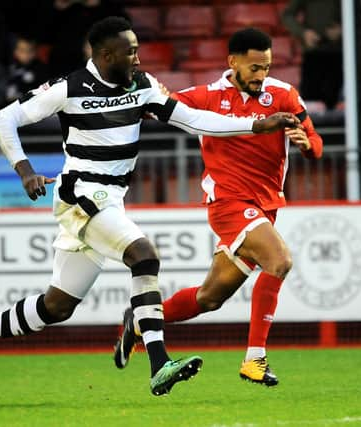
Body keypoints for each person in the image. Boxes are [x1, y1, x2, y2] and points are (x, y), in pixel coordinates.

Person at [0, 17, 300, 396]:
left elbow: (196, 119)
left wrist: (256, 125)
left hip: (108, 201)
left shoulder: (142, 87)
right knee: (143, 255)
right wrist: (25, 169)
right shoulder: (70, 87)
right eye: (130, 51)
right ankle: (160, 363)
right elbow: (4, 120)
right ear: (105, 54)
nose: (137, 58)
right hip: (80, 194)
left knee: (56, 307)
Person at [114, 28, 323, 387]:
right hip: (228, 202)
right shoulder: (205, 97)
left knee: (210, 298)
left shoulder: (284, 95)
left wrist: (306, 145)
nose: (261, 75)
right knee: (280, 261)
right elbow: (158, 106)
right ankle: (254, 359)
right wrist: (136, 92)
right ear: (233, 63)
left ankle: (141, 320)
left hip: (265, 207)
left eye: (266, 67)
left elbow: (316, 143)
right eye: (254, 67)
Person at [281, 0, 343, 109]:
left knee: (336, 102)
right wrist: (304, 33)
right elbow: (287, 15)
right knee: (310, 102)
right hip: (313, 54)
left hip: (340, 53)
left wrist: (342, 30)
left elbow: (360, 15)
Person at [6, 36, 49, 102]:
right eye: (22, 51)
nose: (26, 55)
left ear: (35, 52)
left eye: (30, 51)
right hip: (11, 105)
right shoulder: (10, 67)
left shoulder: (41, 69)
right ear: (15, 51)